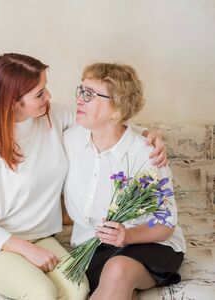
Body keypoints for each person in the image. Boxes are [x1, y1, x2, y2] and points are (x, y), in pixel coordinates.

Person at [0, 53, 167, 300]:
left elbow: (106, 122)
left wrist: (147, 134)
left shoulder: (54, 117)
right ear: (14, 101)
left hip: (42, 238)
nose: (48, 96)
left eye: (45, 88)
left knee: (79, 289)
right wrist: (26, 250)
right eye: (39, 94)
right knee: (41, 293)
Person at [63, 63, 186, 300]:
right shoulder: (70, 138)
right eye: (81, 90)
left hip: (149, 245)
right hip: (90, 248)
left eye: (89, 94)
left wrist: (126, 236)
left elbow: (166, 224)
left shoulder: (146, 154)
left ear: (117, 109)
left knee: (117, 270)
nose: (79, 99)